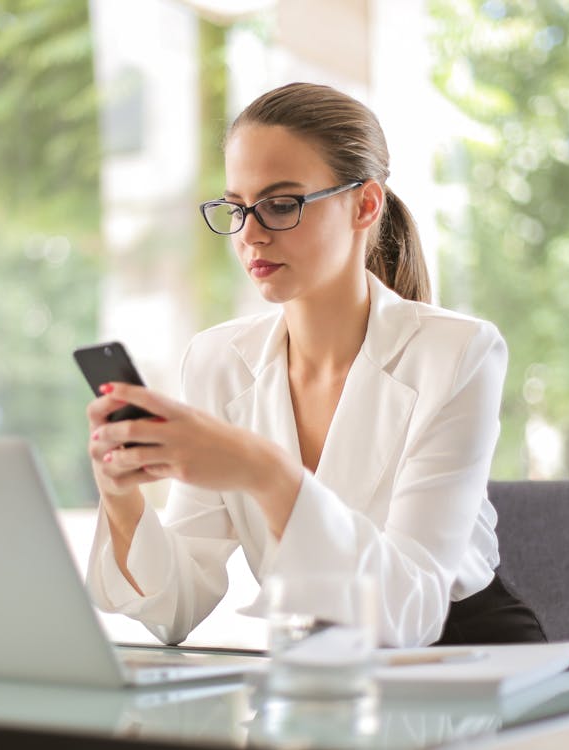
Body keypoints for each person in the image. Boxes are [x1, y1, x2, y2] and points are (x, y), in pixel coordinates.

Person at [83, 82, 545, 648]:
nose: (250, 234)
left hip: (467, 662)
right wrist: (121, 494)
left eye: (281, 204)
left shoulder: (458, 353)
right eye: (236, 208)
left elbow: (413, 612)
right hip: (319, 674)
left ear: (365, 204)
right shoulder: (217, 362)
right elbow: (176, 608)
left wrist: (265, 471)